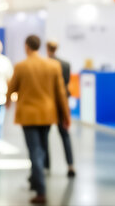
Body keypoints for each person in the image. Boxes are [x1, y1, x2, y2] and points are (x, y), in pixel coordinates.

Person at [6, 35, 70, 205]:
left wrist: (6, 101)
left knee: (35, 150)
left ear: (26, 46)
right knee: (41, 148)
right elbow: (61, 93)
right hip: (48, 114)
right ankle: (35, 179)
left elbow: (11, 88)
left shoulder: (21, 66)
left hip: (28, 115)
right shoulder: (53, 66)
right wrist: (66, 116)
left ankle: (40, 190)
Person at [44, 41, 76, 177]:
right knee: (65, 135)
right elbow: (66, 85)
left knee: (43, 136)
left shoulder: (45, 64)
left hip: (48, 103)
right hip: (62, 103)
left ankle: (46, 166)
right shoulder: (66, 64)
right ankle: (70, 165)